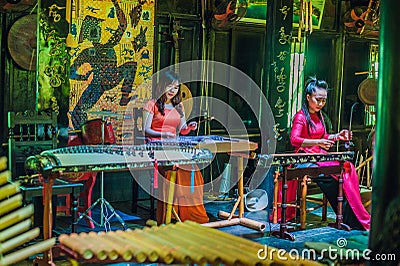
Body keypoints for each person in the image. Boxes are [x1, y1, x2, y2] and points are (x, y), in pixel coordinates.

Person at [289, 77, 370, 230]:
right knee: (331, 177)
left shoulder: (320, 116)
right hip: (303, 158)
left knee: (346, 167)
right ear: (308, 97)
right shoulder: (301, 116)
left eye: (324, 101)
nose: (321, 104)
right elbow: (294, 139)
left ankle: (351, 217)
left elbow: (322, 137)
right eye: (318, 99)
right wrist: (318, 143)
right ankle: (347, 218)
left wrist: (337, 136)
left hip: (317, 155)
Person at [143, 70, 209, 225]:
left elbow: (182, 129)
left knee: (194, 171)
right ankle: (170, 215)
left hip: (174, 146)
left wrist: (189, 127)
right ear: (162, 86)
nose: (173, 91)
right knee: (175, 171)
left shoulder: (179, 106)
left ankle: (189, 214)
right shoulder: (151, 104)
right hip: (157, 146)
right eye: (170, 87)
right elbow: (145, 130)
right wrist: (163, 134)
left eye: (176, 88)